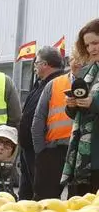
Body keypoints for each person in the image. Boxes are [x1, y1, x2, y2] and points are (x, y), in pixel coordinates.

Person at [17, 47, 67, 200]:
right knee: (26, 193)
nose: (34, 67)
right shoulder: (41, 84)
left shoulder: (56, 84)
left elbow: (41, 119)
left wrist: (40, 152)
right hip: (30, 149)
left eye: (36, 63)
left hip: (43, 151)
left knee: (42, 196)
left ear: (45, 64)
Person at [32, 54, 83, 199]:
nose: (79, 62)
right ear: (69, 61)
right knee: (44, 201)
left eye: (83, 57)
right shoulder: (54, 84)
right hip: (54, 151)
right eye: (75, 57)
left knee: (79, 203)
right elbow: (38, 120)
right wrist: (41, 152)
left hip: (84, 154)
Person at [63, 19, 99, 196]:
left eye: (96, 42)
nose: (92, 48)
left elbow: (93, 103)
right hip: (83, 156)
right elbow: (76, 114)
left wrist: (94, 103)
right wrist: (71, 105)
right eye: (87, 45)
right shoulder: (86, 72)